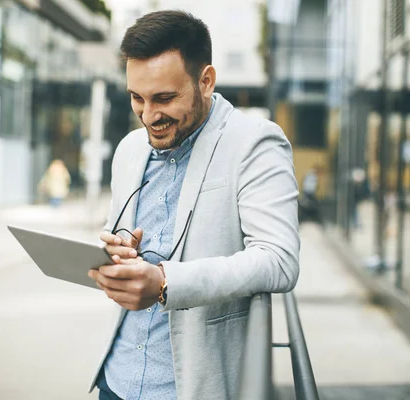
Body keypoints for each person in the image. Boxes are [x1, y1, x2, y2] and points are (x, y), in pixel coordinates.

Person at [86, 11, 300, 400]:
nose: (149, 116)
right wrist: (117, 248)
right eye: (138, 98)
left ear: (206, 81)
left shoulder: (255, 142)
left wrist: (166, 282)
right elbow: (119, 227)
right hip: (116, 381)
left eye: (165, 98)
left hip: (192, 388)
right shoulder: (129, 149)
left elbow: (278, 260)